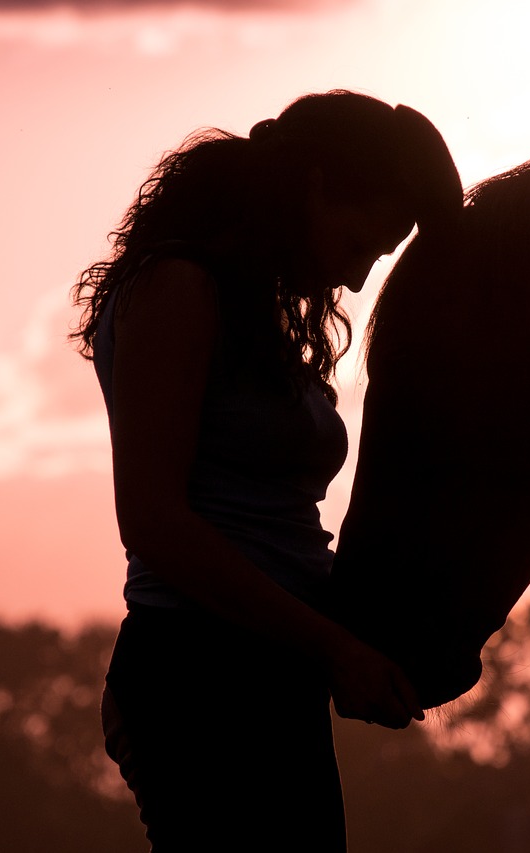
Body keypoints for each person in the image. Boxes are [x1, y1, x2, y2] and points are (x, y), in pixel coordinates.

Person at [70, 91, 461, 850]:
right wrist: (335, 647)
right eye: (357, 244)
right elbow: (153, 521)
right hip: (197, 675)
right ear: (314, 185)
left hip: (267, 672)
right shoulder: (178, 288)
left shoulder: (257, 320)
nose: (354, 280)